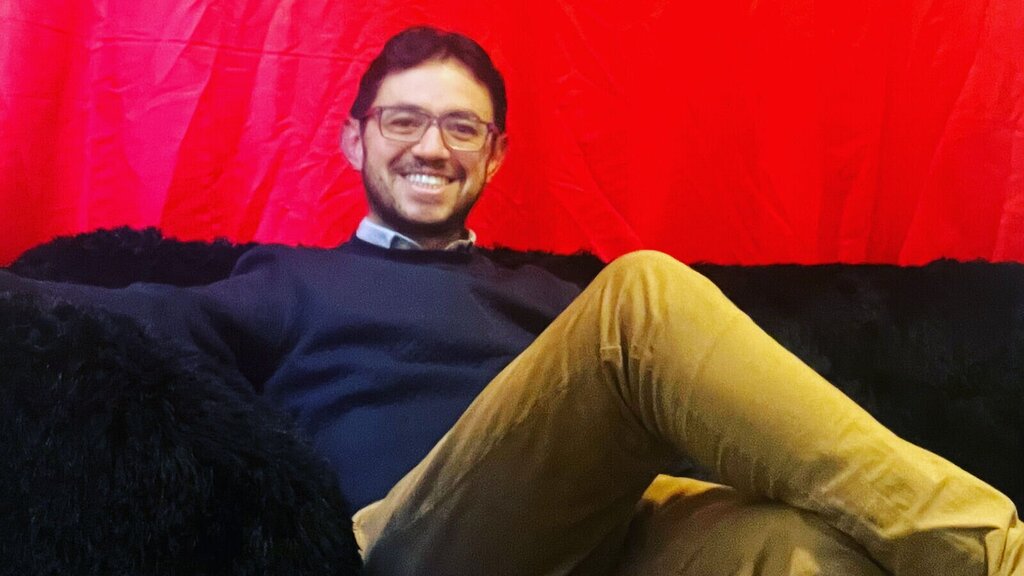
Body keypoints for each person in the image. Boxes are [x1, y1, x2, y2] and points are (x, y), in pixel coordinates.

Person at [1, 26, 1021, 576]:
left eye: (462, 129)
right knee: (644, 295)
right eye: (404, 121)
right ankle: (992, 550)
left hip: (597, 539)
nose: (432, 147)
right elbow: (76, 313)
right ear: (355, 141)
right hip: (409, 542)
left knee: (811, 555)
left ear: (494, 158)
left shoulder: (547, 301)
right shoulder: (280, 282)